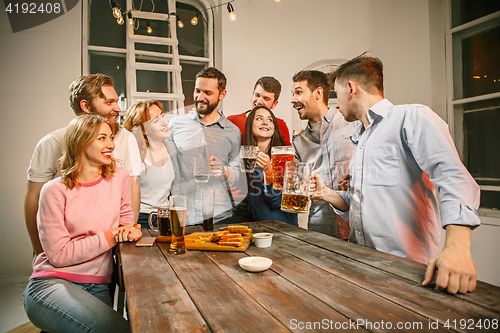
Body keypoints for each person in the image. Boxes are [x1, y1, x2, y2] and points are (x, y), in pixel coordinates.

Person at [310, 54, 480, 294]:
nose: (336, 105)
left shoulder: (411, 117)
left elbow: (453, 175)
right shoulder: (360, 139)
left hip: (409, 273)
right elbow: (365, 203)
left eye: (336, 95)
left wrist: (458, 249)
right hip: (362, 267)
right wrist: (327, 193)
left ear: (351, 88)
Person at [23, 114, 142, 333]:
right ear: (80, 142)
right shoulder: (54, 190)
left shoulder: (120, 177)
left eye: (111, 138)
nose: (110, 144)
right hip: (52, 284)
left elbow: (126, 217)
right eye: (102, 138)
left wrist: (129, 228)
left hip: (98, 286)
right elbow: (59, 255)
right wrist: (112, 235)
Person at [24, 74, 142, 259]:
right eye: (109, 102)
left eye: (116, 102)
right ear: (86, 106)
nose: (117, 108)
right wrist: (40, 253)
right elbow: (34, 199)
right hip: (60, 248)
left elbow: (131, 192)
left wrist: (124, 241)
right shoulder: (52, 142)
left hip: (106, 249)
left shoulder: (126, 139)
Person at [169, 67, 246, 225]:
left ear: (222, 94)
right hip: (183, 215)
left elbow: (238, 176)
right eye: (197, 91)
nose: (200, 97)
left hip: (219, 215)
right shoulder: (176, 125)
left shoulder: (233, 132)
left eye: (207, 93)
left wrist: (224, 170)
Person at [291, 70, 357, 239]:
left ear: (318, 93)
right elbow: (299, 189)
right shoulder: (298, 142)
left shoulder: (351, 123)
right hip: (319, 229)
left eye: (298, 92)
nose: (293, 100)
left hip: (355, 228)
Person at [124, 100, 179, 228]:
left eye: (162, 115)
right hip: (142, 219)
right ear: (143, 129)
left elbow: (175, 187)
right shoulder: (134, 152)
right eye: (155, 120)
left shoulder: (171, 148)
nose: (164, 122)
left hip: (166, 219)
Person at [244, 105, 298, 225]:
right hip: (260, 231)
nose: (265, 122)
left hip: (283, 230)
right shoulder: (248, 158)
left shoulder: (284, 157)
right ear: (250, 125)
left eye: (270, 120)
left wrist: (268, 170)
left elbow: (276, 202)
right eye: (259, 118)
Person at [227, 76, 291, 145]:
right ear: (252, 94)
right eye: (257, 95)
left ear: (274, 104)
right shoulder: (231, 122)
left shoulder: (281, 125)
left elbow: (287, 153)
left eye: (266, 98)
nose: (259, 101)